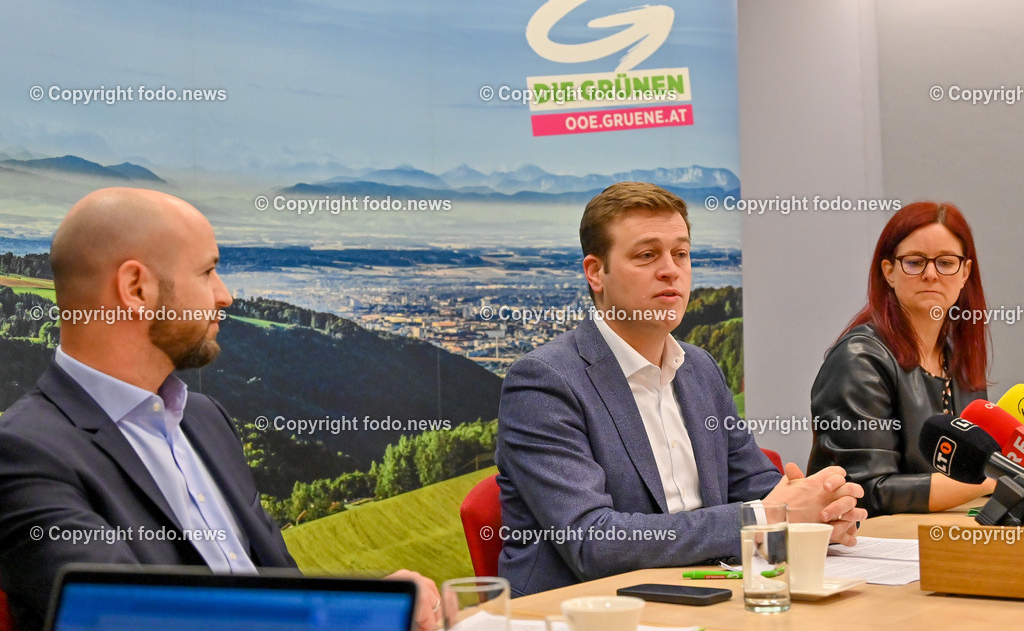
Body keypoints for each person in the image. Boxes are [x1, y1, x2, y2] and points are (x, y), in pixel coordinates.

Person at [0, 188, 440, 631]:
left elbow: (284, 591)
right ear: (136, 288)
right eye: (208, 271)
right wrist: (366, 619)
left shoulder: (205, 419)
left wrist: (382, 606)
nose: (225, 296)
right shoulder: (23, 455)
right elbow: (137, 623)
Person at [496, 182, 866, 597]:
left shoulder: (699, 369)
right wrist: (768, 517)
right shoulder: (544, 382)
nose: (671, 269)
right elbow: (595, 541)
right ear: (596, 273)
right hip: (586, 611)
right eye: (647, 255)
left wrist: (818, 510)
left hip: (704, 596)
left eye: (681, 253)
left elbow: (758, 488)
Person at [807, 202, 995, 517]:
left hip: (942, 536)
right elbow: (867, 489)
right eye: (915, 262)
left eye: (946, 263)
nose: (931, 274)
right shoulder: (859, 359)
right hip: (869, 547)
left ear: (965, 273)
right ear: (889, 271)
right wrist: (994, 480)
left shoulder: (960, 360)